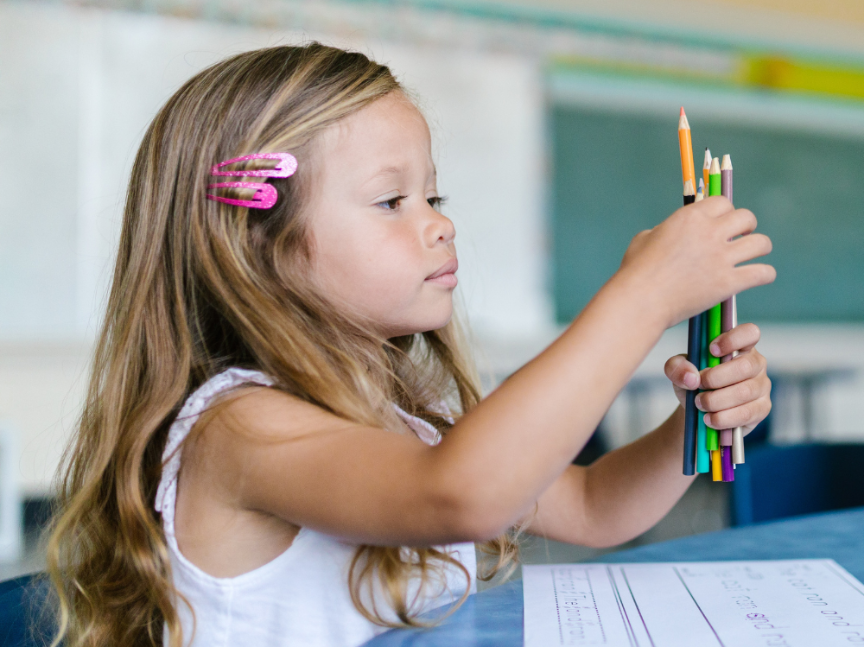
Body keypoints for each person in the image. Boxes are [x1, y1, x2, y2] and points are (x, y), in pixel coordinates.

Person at [46, 43, 774, 647]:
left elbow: (592, 506)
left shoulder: (403, 416)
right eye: (392, 201)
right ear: (252, 242)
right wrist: (644, 294)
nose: (438, 225)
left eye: (436, 197)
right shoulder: (235, 429)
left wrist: (698, 418)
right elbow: (466, 494)